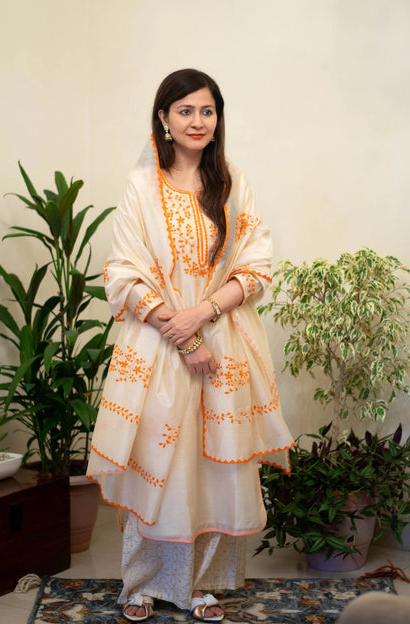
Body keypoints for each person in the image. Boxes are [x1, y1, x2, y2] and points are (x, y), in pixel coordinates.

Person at [87, 68, 294, 622]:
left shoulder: (232, 184)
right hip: (157, 345)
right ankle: (142, 585)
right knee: (158, 465)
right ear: (164, 119)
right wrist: (180, 335)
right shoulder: (141, 186)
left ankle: (200, 584)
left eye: (206, 111)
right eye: (185, 111)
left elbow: (256, 265)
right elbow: (123, 274)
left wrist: (201, 314)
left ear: (217, 118)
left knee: (211, 470)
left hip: (222, 345)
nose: (197, 121)